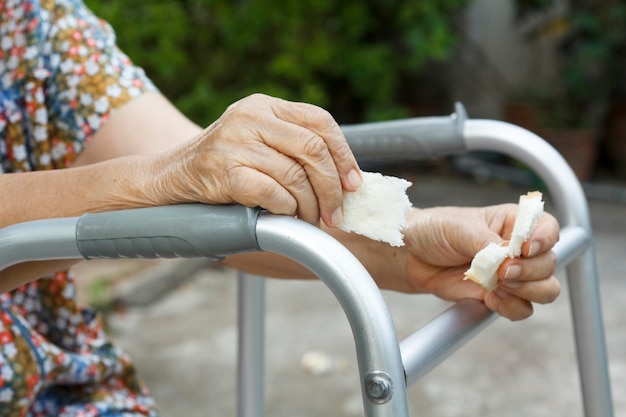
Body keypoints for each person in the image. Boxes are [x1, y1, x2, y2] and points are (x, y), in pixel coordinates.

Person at [0, 0, 560, 415]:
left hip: (67, 390)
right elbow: (169, 173)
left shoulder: (37, 25)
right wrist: (165, 177)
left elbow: (201, 190)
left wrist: (408, 241)